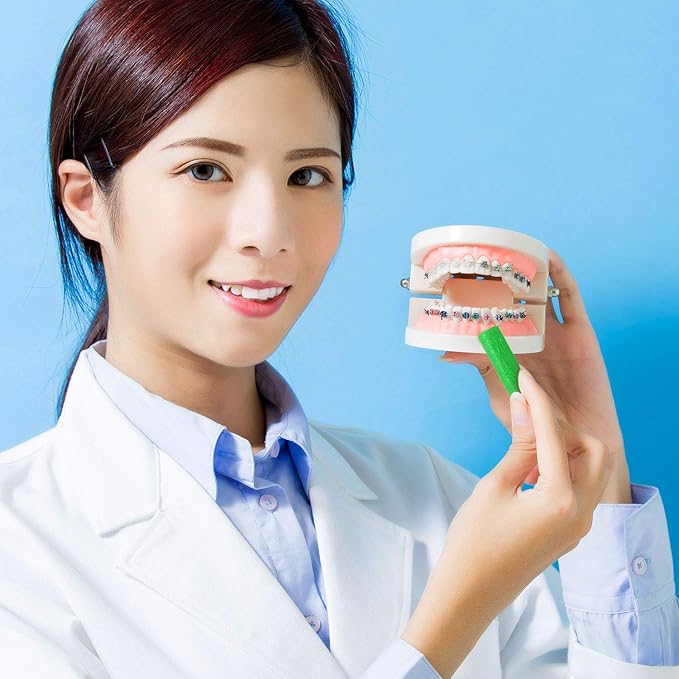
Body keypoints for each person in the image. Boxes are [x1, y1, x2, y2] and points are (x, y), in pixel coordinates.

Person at [0, 1, 677, 677]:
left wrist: (598, 480)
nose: (269, 232)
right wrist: (449, 622)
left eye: (307, 175)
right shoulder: (18, 544)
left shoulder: (433, 495)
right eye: (206, 170)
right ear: (86, 198)